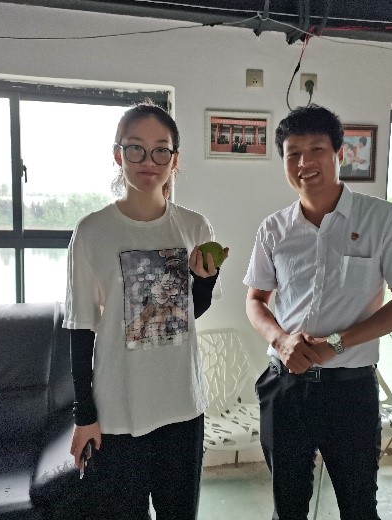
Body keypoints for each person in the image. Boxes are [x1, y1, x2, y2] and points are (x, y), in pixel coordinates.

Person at [243, 104, 392, 520]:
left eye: (317, 150)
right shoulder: (274, 229)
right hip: (285, 386)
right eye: (293, 153)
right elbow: (255, 300)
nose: (304, 163)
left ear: (339, 154)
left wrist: (337, 344)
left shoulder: (381, 219)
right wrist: (280, 340)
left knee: (358, 507)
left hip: (349, 391)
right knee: (287, 509)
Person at [64, 101, 227, 519]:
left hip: (182, 406)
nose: (148, 161)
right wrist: (84, 415)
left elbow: (190, 314)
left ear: (175, 159)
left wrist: (204, 282)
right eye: (135, 148)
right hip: (118, 412)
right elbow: (81, 328)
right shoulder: (92, 231)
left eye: (161, 150)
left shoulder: (194, 226)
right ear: (118, 155)